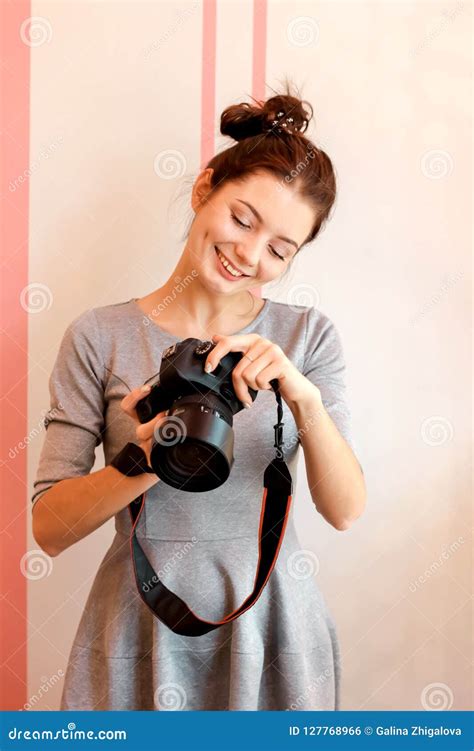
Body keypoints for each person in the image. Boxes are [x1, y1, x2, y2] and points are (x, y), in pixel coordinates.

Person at [31, 85, 366, 711]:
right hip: (137, 634)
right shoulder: (99, 336)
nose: (248, 253)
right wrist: (142, 455)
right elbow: (49, 529)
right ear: (203, 188)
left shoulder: (306, 336)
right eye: (242, 218)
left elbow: (345, 510)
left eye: (279, 249)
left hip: (275, 635)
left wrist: (303, 398)